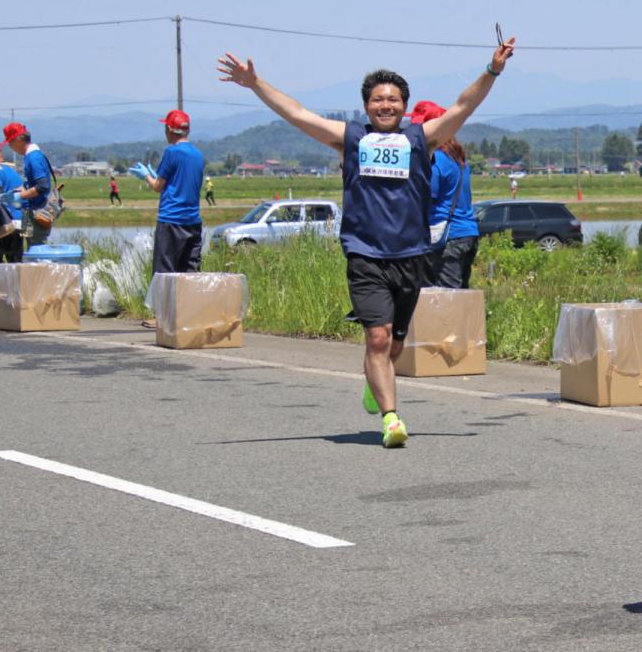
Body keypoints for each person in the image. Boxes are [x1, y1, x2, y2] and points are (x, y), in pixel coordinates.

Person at [217, 31, 515, 448]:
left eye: (393, 99)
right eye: (378, 99)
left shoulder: (420, 139)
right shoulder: (351, 139)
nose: (385, 105)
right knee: (377, 336)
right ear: (366, 106)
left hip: (411, 253)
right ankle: (391, 418)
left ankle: (376, 384)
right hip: (364, 253)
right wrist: (255, 84)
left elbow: (465, 106)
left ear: (405, 106)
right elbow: (298, 113)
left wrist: (492, 69)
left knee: (394, 344)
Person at [409, 101, 481, 289]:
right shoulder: (458, 158)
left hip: (447, 237)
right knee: (461, 295)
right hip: (467, 232)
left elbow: (426, 198)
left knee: (446, 299)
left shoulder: (436, 159)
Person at [130, 110, 205, 274]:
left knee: (165, 273)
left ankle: (164, 301)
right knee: (190, 272)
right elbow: (182, 181)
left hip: (171, 221)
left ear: (170, 131)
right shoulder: (198, 155)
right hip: (193, 221)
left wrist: (146, 176)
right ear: (188, 130)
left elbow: (158, 186)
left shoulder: (172, 152)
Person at [2, 122, 54, 247]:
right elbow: (29, 184)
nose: (10, 146)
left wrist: (20, 197)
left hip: (37, 211)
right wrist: (14, 193)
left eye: (10, 142)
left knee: (36, 247)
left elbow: (42, 186)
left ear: (19, 140)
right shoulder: (28, 156)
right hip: (28, 211)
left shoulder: (34, 157)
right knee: (27, 242)